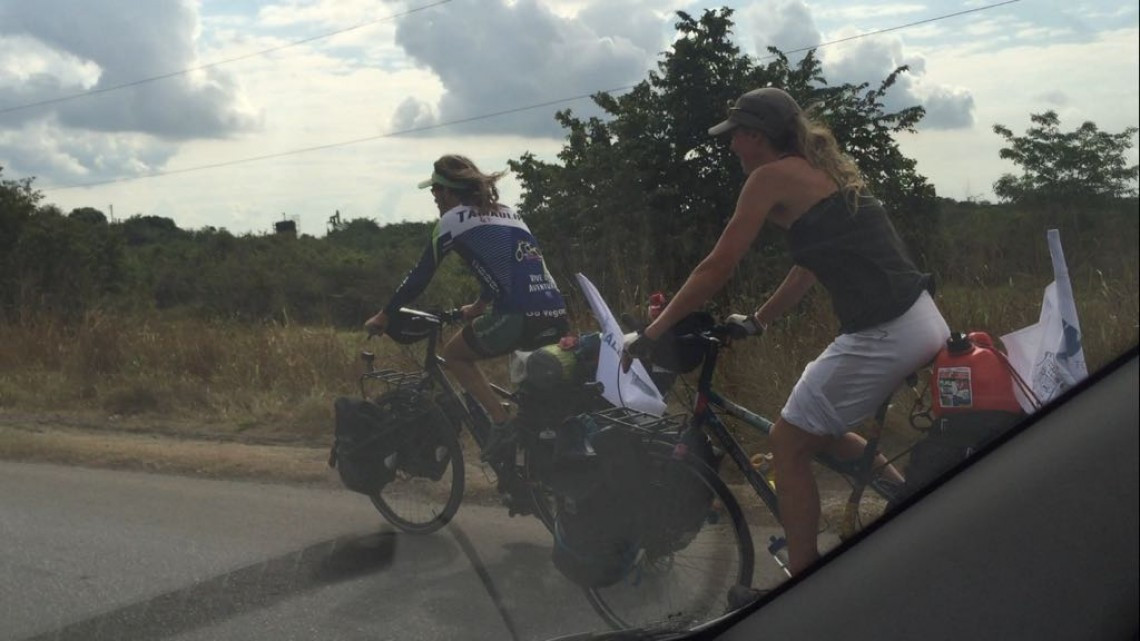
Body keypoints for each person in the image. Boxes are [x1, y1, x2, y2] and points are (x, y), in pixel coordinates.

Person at [624, 88, 950, 575]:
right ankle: (908, 499)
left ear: (757, 136)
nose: (732, 146)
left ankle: (804, 575)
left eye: (736, 136)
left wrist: (652, 333)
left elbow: (717, 267)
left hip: (885, 330)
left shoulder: (769, 177)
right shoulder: (820, 172)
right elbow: (807, 268)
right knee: (821, 430)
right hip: (920, 317)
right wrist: (759, 320)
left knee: (787, 442)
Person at [364, 154, 569, 461]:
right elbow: (506, 268)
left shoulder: (450, 222)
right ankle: (535, 461)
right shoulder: (508, 212)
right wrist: (480, 305)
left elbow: (419, 277)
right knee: (535, 399)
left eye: (435, 190)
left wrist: (385, 314)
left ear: (448, 191)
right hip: (556, 312)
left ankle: (501, 423)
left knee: (455, 355)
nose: (434, 196)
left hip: (517, 315)